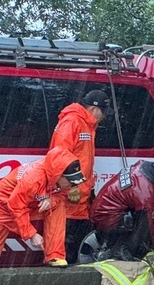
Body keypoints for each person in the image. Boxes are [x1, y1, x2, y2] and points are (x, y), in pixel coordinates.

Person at [0, 147, 84, 270]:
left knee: (58, 207)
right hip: (4, 205)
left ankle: (55, 255)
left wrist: (51, 199)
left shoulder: (56, 174)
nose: (72, 184)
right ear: (59, 175)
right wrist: (31, 234)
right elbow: (16, 205)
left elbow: (60, 194)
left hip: (32, 204)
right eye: (70, 181)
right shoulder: (33, 177)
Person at [89, 153, 154, 261]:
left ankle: (130, 244)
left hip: (104, 213)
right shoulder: (147, 192)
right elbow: (152, 227)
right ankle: (122, 249)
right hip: (106, 219)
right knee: (148, 221)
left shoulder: (144, 168)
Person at [49, 89, 112, 263]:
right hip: (70, 195)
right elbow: (60, 156)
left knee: (78, 243)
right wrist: (74, 185)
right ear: (93, 109)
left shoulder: (87, 124)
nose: (105, 116)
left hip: (80, 197)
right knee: (67, 244)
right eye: (103, 112)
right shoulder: (72, 122)